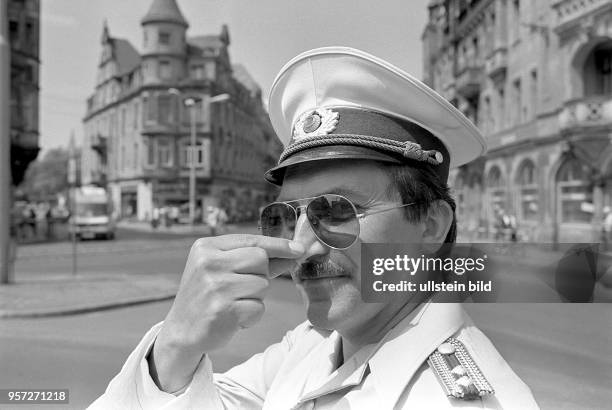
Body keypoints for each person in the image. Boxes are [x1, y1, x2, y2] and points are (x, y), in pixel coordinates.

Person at [90, 47, 538, 409]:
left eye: (337, 210)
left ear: (430, 224)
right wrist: (176, 343)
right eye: (286, 217)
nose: (302, 247)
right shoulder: (314, 345)